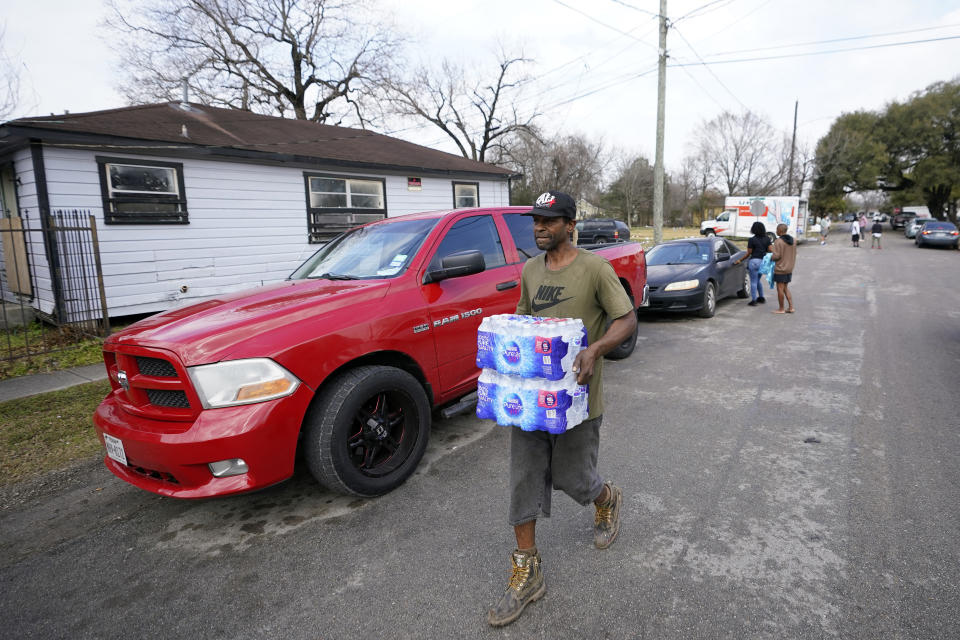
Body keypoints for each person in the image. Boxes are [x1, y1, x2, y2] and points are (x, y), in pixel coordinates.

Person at [487, 190, 637, 628]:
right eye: (536, 221)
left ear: (570, 225)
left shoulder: (595, 269)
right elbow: (521, 320)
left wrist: (595, 351)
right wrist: (503, 364)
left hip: (578, 402)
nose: (539, 228)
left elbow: (626, 319)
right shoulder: (531, 270)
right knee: (523, 480)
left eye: (549, 221)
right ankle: (527, 573)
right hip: (533, 401)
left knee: (575, 480)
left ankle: (606, 497)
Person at [733, 221, 770, 306]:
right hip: (763, 262)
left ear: (753, 229)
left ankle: (754, 300)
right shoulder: (767, 239)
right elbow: (770, 250)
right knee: (757, 280)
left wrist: (740, 260)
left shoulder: (752, 240)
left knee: (753, 281)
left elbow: (749, 253)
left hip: (754, 262)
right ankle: (761, 297)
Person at [770, 222, 797, 314]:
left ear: (780, 231)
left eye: (777, 230)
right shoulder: (793, 240)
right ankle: (791, 307)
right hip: (789, 268)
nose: (776, 231)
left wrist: (770, 257)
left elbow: (777, 256)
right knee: (785, 288)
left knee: (780, 289)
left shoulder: (778, 241)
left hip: (781, 269)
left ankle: (781, 309)